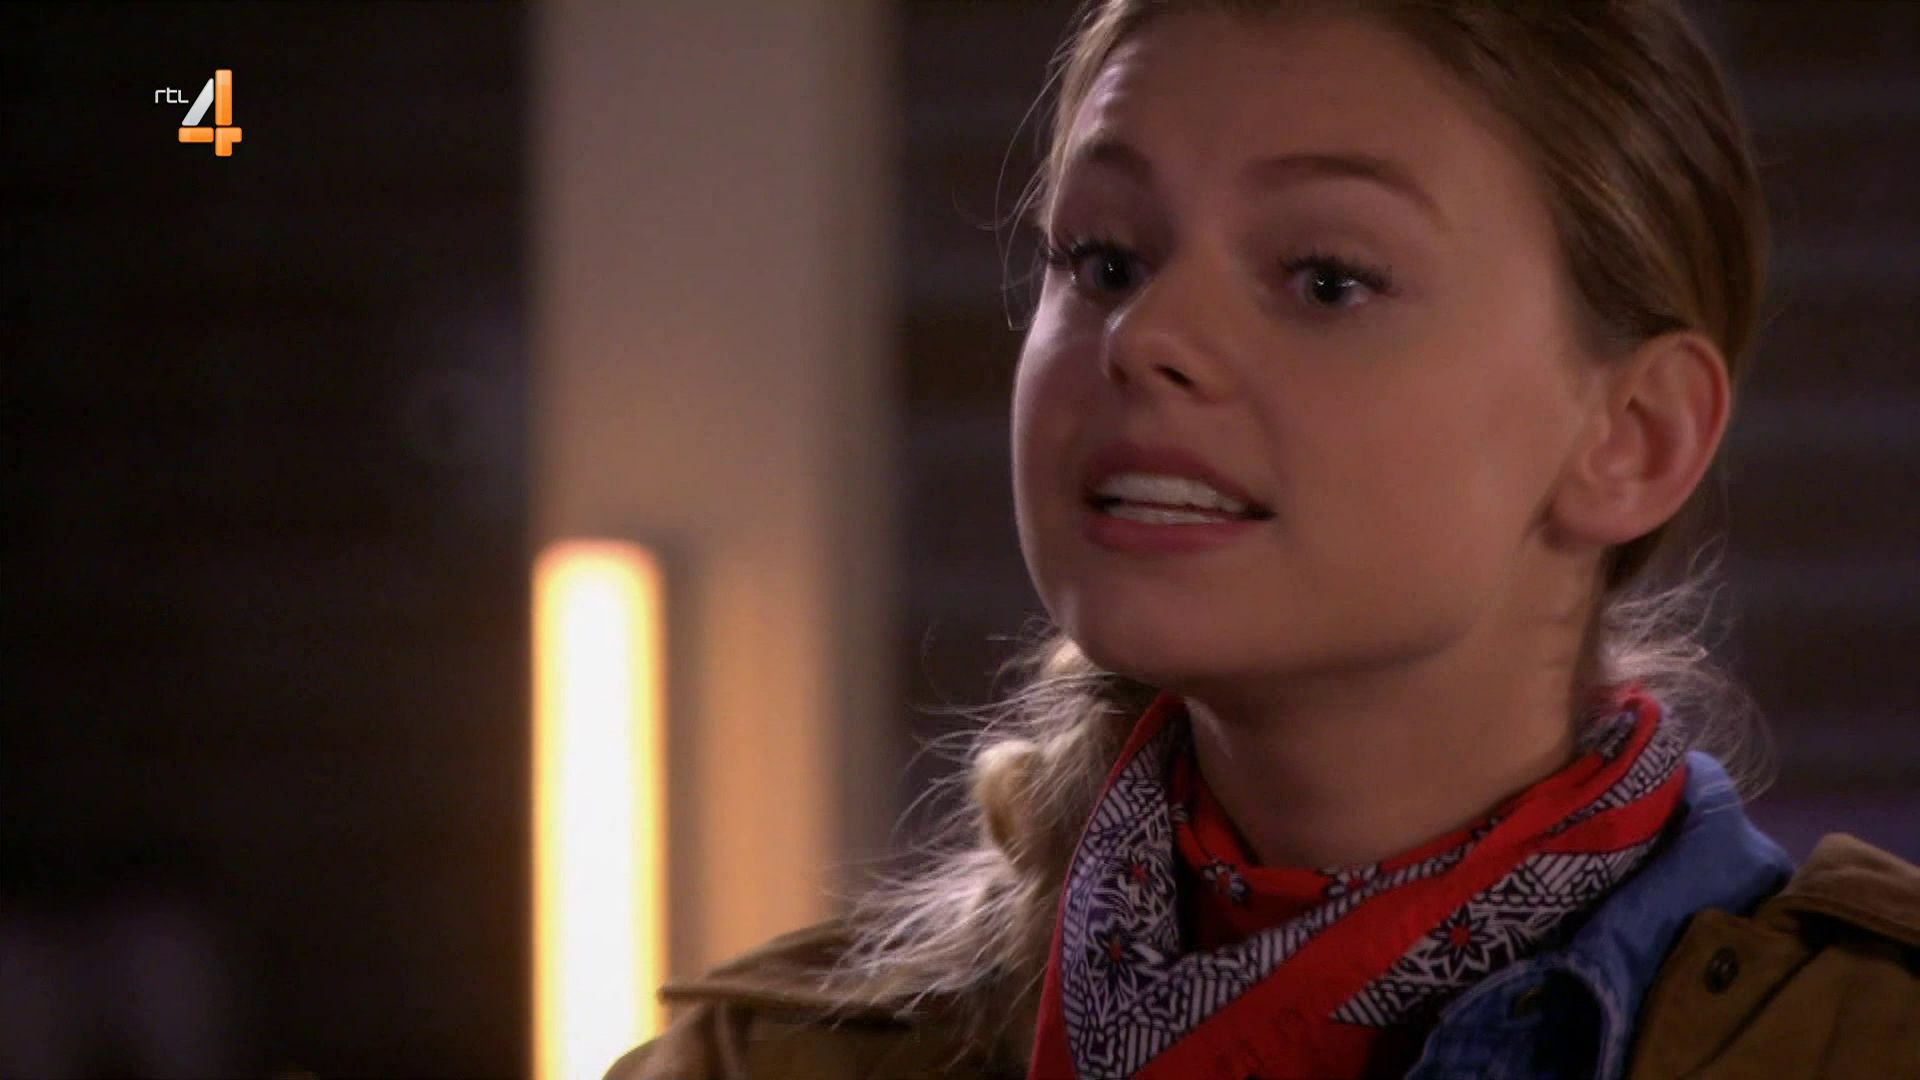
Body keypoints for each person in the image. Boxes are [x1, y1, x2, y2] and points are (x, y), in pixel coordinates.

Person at [606, 2, 1920, 1077]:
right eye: (1105, 261)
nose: (1147, 337)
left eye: (1326, 279)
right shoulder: (757, 1064)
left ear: (1632, 436)